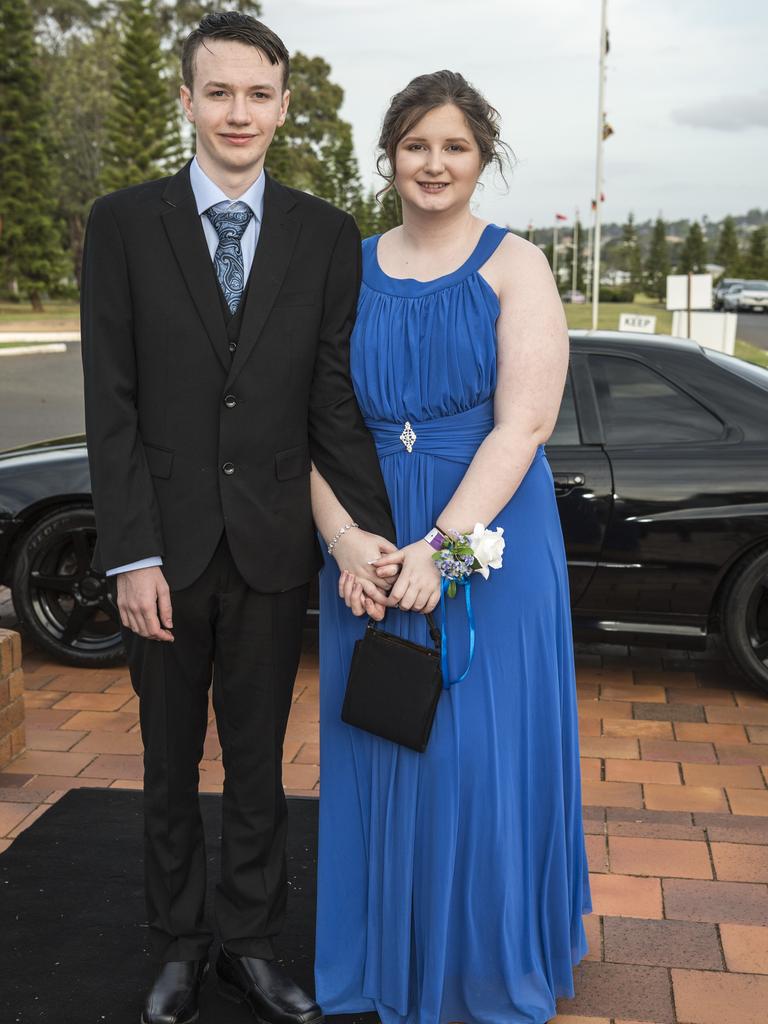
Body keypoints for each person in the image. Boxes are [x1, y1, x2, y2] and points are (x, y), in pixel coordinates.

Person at [80, 12, 395, 1024]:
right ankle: (177, 943)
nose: (238, 112)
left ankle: (251, 944)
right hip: (162, 555)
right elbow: (110, 402)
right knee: (170, 764)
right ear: (185, 101)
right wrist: (129, 553)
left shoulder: (325, 233)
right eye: (217, 92)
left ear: (284, 105)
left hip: (272, 546)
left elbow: (330, 401)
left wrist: (370, 537)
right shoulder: (124, 224)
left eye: (258, 93)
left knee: (259, 763)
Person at [311, 71, 592, 1024]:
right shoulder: (342, 266)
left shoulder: (518, 266)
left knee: (474, 752)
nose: (434, 163)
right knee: (382, 742)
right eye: (417, 145)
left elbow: (525, 425)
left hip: (487, 535)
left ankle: (481, 965)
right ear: (389, 154)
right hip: (365, 536)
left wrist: (440, 550)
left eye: (455, 147)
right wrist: (351, 545)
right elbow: (308, 419)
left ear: (483, 159)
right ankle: (385, 958)